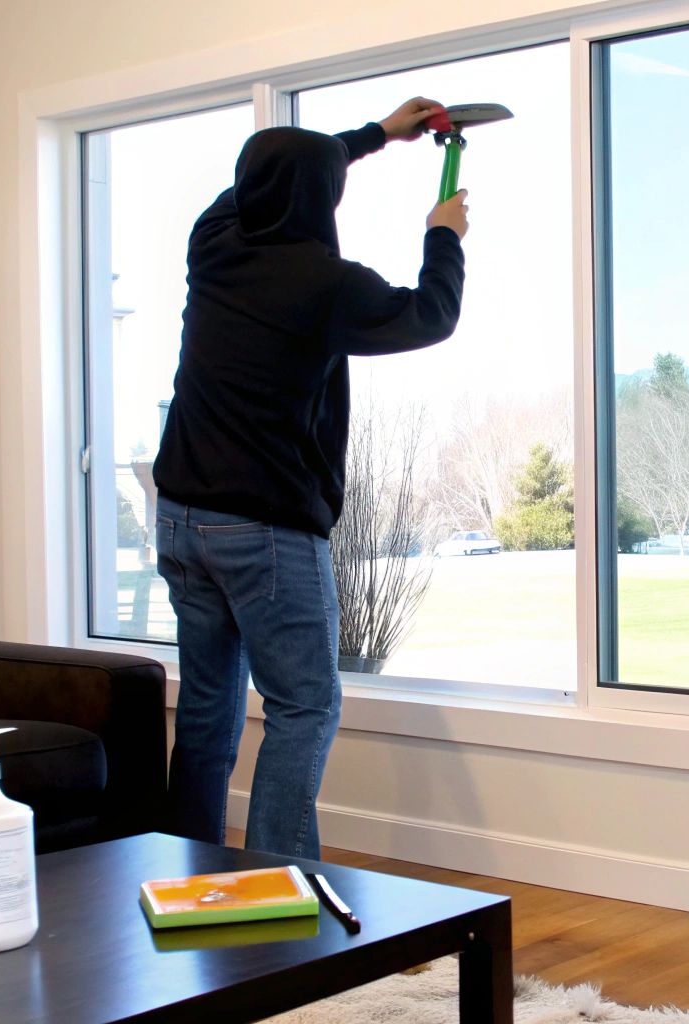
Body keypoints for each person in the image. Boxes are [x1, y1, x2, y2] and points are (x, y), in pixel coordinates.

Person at [151, 98, 468, 857]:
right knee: (304, 707)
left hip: (180, 518)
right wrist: (442, 234)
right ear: (319, 197)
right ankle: (273, 896)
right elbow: (431, 314)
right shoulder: (326, 283)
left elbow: (269, 174)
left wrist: (376, 135)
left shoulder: (214, 244)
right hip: (263, 530)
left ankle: (187, 878)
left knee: (206, 708)